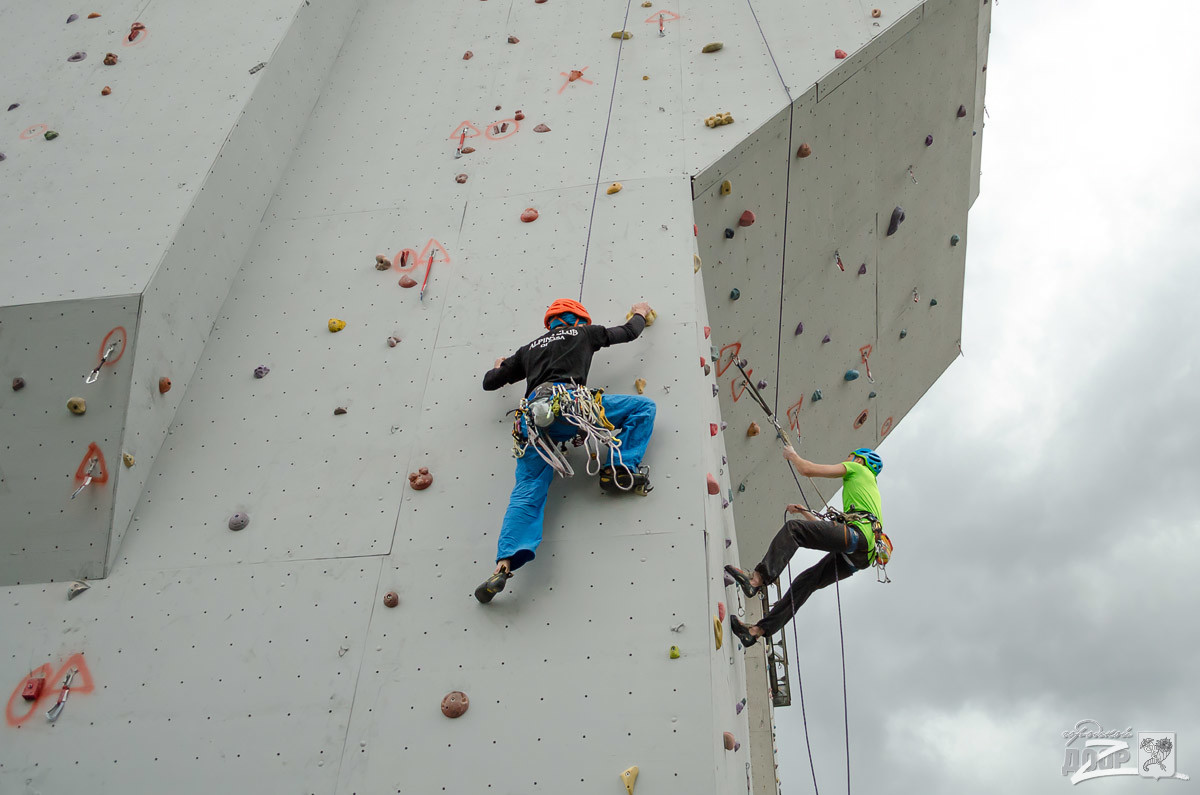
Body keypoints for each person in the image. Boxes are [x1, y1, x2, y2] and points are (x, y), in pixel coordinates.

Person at [475, 298, 657, 603]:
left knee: (527, 490)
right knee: (642, 409)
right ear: (579, 320)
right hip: (574, 407)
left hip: (533, 421)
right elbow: (629, 332)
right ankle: (618, 468)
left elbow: (489, 383)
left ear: (551, 323)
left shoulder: (529, 349)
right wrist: (640, 313)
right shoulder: (585, 334)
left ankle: (503, 565)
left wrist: (499, 367)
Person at [725, 445, 885, 646]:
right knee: (806, 582)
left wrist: (792, 455)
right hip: (861, 556)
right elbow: (825, 533)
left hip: (858, 536)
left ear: (860, 460)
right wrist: (803, 511)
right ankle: (756, 631)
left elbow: (807, 469)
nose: (848, 459)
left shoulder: (858, 469)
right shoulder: (868, 492)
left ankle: (757, 579)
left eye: (850, 456)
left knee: (794, 530)